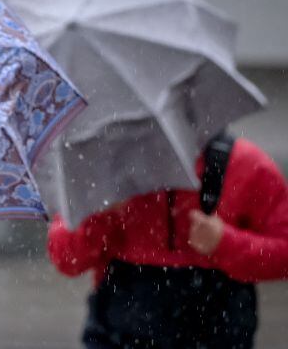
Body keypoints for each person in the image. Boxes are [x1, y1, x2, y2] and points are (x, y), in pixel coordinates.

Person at [47, 135, 288, 348]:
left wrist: (225, 243)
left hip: (217, 330)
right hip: (120, 329)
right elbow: (65, 258)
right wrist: (101, 215)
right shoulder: (103, 168)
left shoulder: (243, 164)